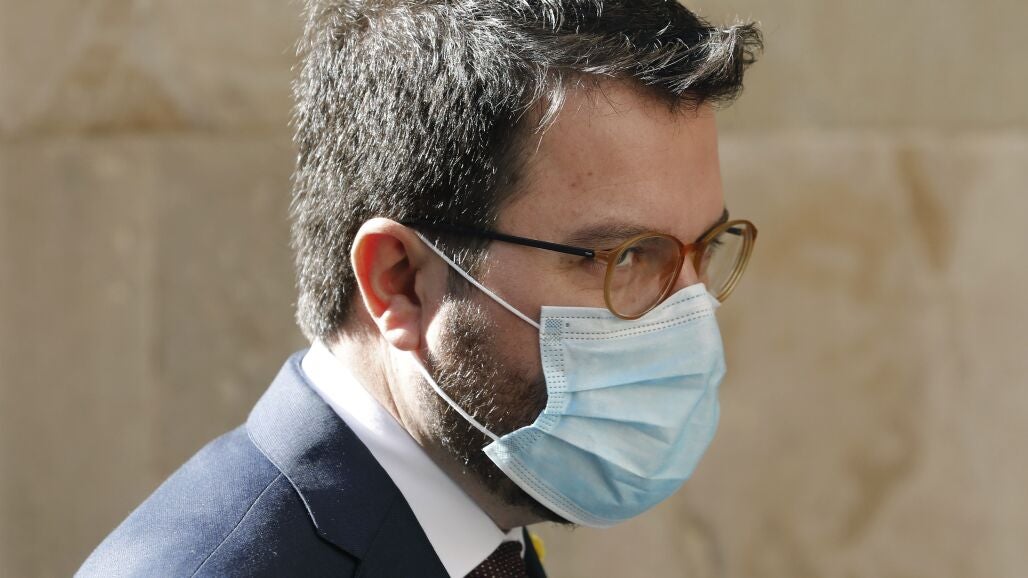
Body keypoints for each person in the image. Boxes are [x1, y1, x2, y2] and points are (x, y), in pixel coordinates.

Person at [78, 1, 762, 576]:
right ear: (399, 282)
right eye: (627, 256)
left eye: (705, 249)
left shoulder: (483, 543)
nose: (690, 317)